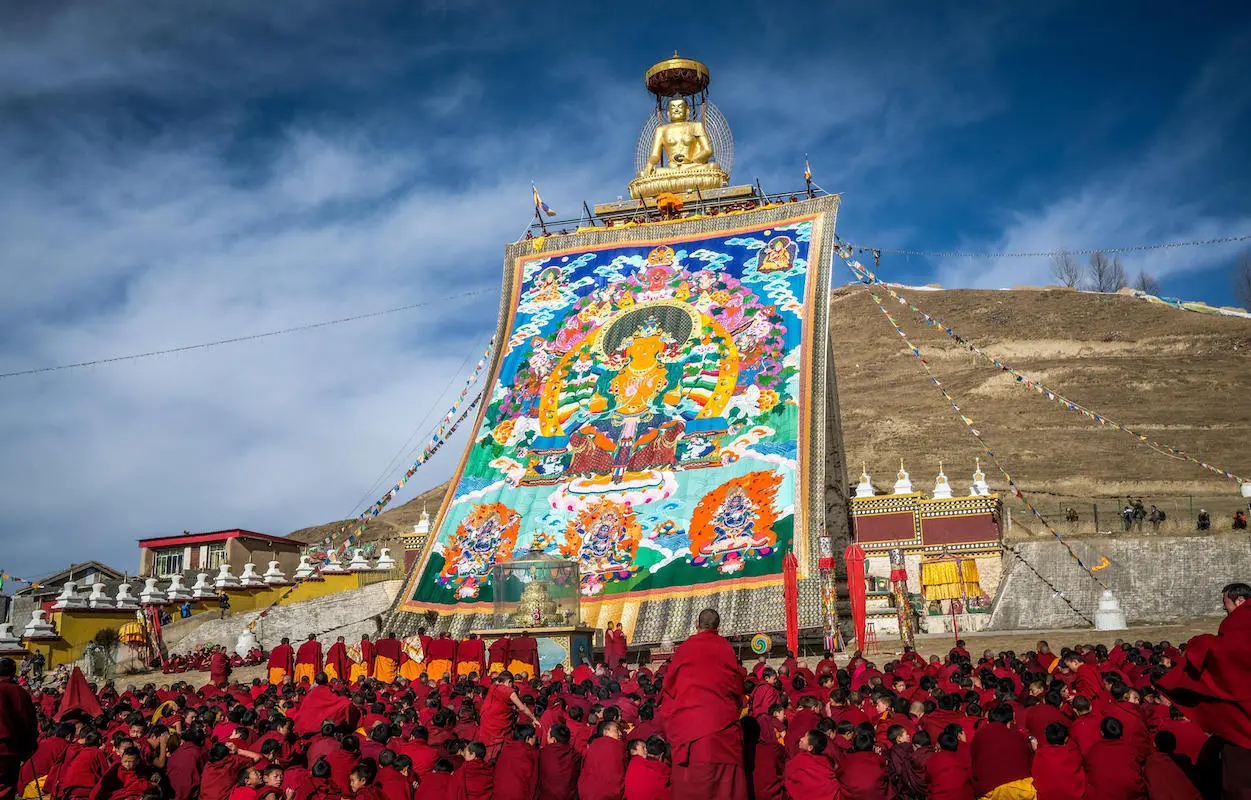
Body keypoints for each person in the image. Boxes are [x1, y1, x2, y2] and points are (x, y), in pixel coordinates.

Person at [1158, 582, 1251, 795]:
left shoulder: (1238, 622)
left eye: (1225, 603)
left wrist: (1198, 644)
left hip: (1243, 721)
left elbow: (1223, 656)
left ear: (1240, 601)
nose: (1224, 609)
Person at [661, 608, 747, 800]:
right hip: (721, 732)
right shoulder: (725, 648)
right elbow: (737, 688)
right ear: (718, 626)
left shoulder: (686, 648)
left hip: (689, 731)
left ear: (696, 625)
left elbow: (669, 687)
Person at [969, 704, 1034, 798]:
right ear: (1009, 722)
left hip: (990, 791)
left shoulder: (979, 737)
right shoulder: (1019, 736)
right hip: (1019, 790)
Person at [477, 671, 541, 760]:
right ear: (508, 682)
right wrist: (533, 718)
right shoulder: (509, 691)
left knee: (488, 748)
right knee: (501, 749)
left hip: (487, 721)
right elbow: (522, 708)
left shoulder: (493, 687)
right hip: (499, 725)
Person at [0, 658, 38, 800]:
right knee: (5, 788)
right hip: (7, 752)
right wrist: (28, 749)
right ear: (13, 672)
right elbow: (28, 723)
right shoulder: (19, 693)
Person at [578, 720, 626, 800]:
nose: (620, 734)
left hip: (589, 793)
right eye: (617, 730)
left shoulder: (593, 745)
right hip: (611, 793)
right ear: (606, 732)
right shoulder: (619, 746)